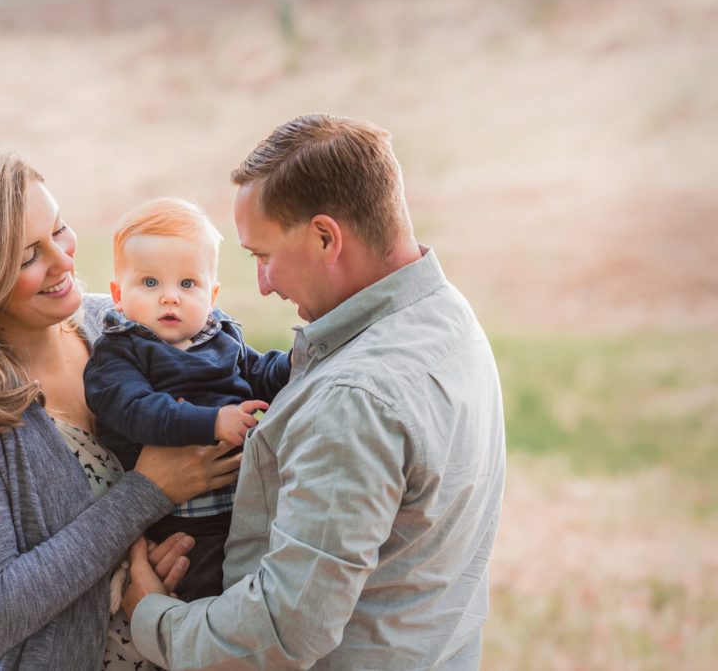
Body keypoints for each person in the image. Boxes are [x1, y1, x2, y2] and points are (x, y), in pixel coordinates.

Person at [123, 112, 508, 670]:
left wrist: (153, 616)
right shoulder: (447, 316)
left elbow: (281, 632)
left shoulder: (354, 398)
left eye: (263, 256)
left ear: (327, 236)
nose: (263, 283)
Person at [0, 143, 243, 671]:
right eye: (28, 256)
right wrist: (146, 496)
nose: (64, 261)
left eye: (58, 229)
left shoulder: (121, 326)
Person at [83, 197, 291, 601]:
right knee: (206, 598)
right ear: (117, 294)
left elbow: (261, 373)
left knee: (265, 590)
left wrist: (298, 361)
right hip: (181, 523)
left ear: (211, 294)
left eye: (187, 284)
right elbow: (137, 411)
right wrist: (213, 422)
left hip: (246, 504)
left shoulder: (221, 336)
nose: (170, 297)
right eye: (149, 283)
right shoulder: (120, 353)